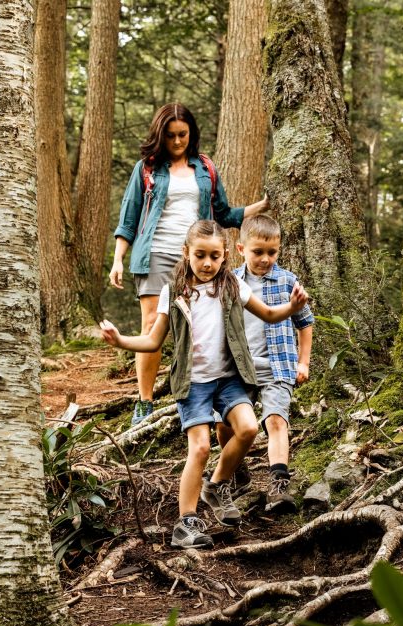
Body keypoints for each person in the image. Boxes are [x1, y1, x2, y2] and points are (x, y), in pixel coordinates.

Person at [99, 220, 309, 549]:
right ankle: (186, 523)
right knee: (199, 448)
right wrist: (121, 340)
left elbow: (268, 314)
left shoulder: (233, 286)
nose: (208, 263)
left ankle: (217, 483)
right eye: (200, 255)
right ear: (187, 253)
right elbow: (153, 340)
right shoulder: (174, 290)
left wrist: (292, 308)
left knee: (249, 428)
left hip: (228, 379)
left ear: (226, 256)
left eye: (215, 256)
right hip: (193, 383)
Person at [108, 103, 269, 426]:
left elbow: (223, 214)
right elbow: (128, 219)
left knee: (205, 324)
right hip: (155, 253)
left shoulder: (205, 168)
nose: (177, 141)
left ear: (191, 134)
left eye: (183, 134)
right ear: (160, 135)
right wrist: (118, 260)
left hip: (199, 259)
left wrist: (261, 205)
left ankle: (206, 392)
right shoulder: (147, 169)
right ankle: (145, 401)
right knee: (153, 324)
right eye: (170, 135)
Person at [216, 215, 313, 513]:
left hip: (278, 367)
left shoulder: (287, 281)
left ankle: (278, 483)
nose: (266, 259)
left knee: (275, 420)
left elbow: (305, 322)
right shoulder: (229, 281)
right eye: (258, 252)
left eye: (272, 252)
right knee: (223, 425)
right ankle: (236, 470)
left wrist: (303, 362)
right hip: (238, 370)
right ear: (242, 248)